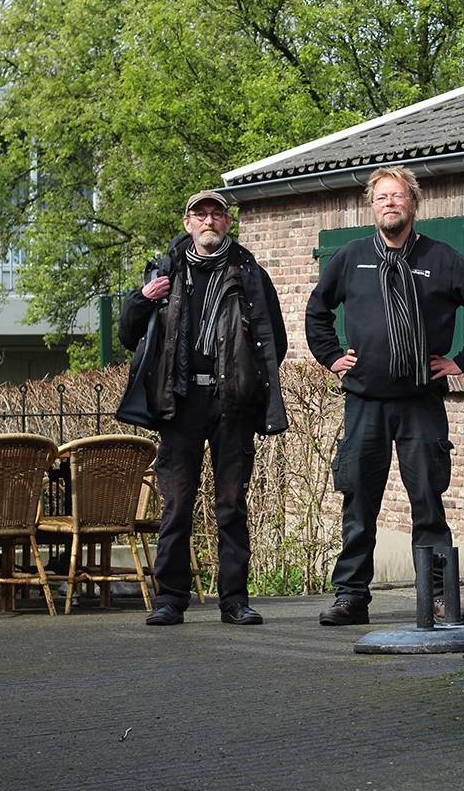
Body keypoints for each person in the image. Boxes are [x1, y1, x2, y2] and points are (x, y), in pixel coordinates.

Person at [306, 165, 464, 625]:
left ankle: (436, 597)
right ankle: (351, 598)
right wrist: (332, 356)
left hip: (421, 403)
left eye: (398, 196)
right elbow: (318, 310)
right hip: (364, 403)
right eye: (381, 197)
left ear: (413, 204)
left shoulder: (442, 258)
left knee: (428, 505)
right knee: (357, 504)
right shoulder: (351, 257)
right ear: (371, 206)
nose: (390, 203)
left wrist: (462, 361)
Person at [118, 190, 288, 626]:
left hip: (231, 403)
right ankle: (170, 600)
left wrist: (246, 382)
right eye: (201, 214)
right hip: (180, 401)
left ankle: (234, 601)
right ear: (188, 222)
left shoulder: (249, 273)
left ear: (228, 224)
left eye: (217, 214)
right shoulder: (165, 270)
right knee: (176, 503)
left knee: (232, 503)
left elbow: (275, 341)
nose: (209, 220)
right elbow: (128, 334)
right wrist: (142, 297)